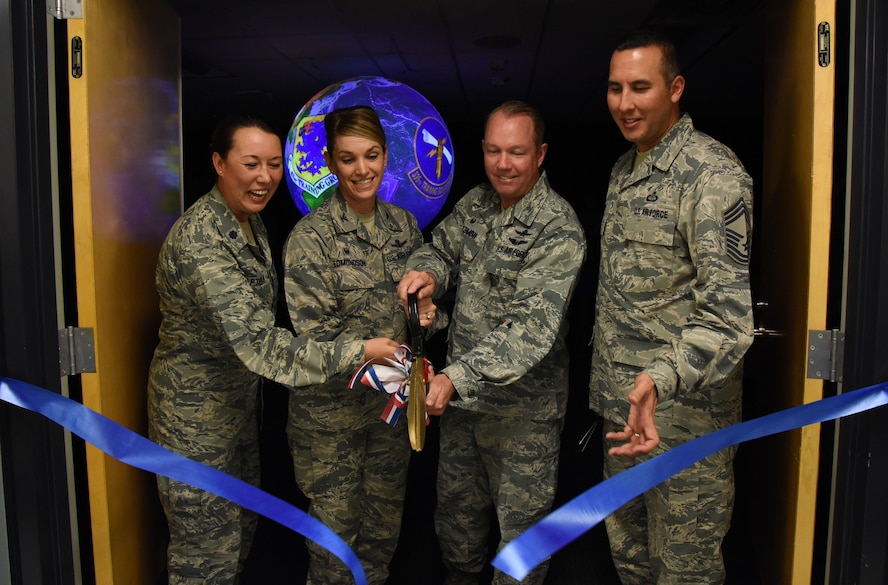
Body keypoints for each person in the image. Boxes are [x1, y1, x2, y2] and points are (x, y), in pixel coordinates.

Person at [146, 112, 398, 585]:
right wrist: (360, 350)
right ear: (219, 164)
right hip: (194, 417)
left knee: (236, 535)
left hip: (235, 407)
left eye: (275, 164)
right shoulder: (203, 239)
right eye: (251, 163)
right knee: (205, 552)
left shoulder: (246, 221)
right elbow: (261, 343)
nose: (265, 177)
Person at [589, 30, 754, 584]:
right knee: (631, 560)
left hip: (684, 427)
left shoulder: (712, 176)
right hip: (624, 417)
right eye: (615, 89)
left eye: (640, 87)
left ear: (676, 88)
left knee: (685, 572)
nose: (625, 103)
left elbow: (728, 321)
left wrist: (658, 381)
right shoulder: (624, 171)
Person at [398, 100, 587, 585]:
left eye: (517, 152)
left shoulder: (557, 227)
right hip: (463, 410)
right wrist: (427, 274)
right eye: (494, 151)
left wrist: (454, 377)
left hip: (523, 417)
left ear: (541, 153)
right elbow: (440, 249)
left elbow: (531, 330)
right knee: (457, 527)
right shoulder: (477, 203)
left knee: (520, 544)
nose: (504, 164)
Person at [282, 105, 443, 585]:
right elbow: (313, 341)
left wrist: (427, 318)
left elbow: (416, 318)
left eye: (371, 156)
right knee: (335, 551)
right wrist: (367, 350)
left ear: (385, 156)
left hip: (387, 419)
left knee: (379, 540)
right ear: (331, 162)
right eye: (348, 159)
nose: (361, 170)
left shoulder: (405, 227)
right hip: (329, 424)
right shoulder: (310, 239)